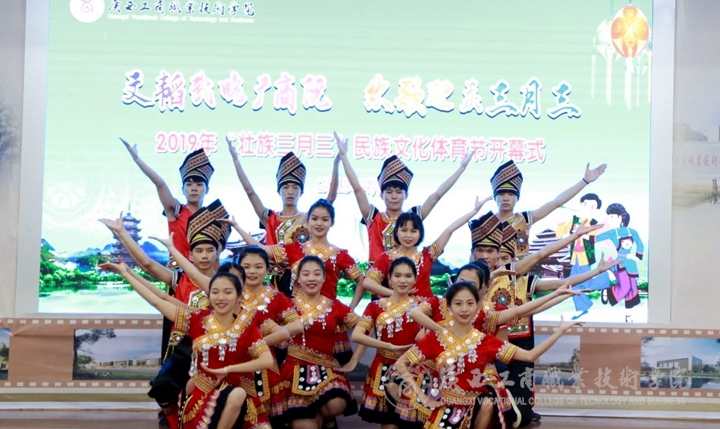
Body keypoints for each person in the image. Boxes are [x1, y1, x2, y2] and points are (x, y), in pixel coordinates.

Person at [100, 200, 229, 428]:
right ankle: (171, 419)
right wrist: (121, 233)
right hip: (184, 346)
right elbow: (147, 264)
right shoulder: (180, 279)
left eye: (210, 250)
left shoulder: (227, 282)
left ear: (218, 251)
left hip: (218, 349)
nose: (204, 256)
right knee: (163, 386)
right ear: (190, 255)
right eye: (199, 251)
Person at [101, 262, 275, 429]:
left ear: (239, 296)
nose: (221, 297)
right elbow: (157, 301)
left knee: (238, 394)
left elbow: (266, 360)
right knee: (232, 393)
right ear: (209, 296)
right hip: (204, 397)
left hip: (241, 399)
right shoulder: (196, 321)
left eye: (228, 292)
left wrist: (227, 369)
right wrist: (125, 273)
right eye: (215, 292)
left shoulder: (247, 328)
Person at [394, 281, 582, 429]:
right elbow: (401, 364)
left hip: (476, 410)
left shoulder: (485, 341)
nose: (464, 309)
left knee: (487, 404)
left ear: (478, 308)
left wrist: (559, 332)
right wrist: (422, 396)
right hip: (444, 410)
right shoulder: (435, 339)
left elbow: (529, 356)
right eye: (458, 304)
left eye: (470, 303)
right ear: (449, 308)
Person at [222, 199, 363, 366]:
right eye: (315, 218)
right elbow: (261, 250)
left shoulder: (340, 255)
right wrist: (237, 227)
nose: (319, 223)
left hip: (326, 317)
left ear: (332, 222)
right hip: (295, 314)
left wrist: (351, 306)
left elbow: (362, 281)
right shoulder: (295, 249)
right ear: (307, 221)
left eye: (325, 219)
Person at [334, 132, 475, 264]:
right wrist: (344, 157)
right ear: (381, 195)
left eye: (398, 192)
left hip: (408, 277)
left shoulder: (413, 217)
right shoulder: (373, 217)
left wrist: (461, 168)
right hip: (377, 279)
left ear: (406, 195)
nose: (394, 196)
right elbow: (357, 189)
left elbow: (437, 195)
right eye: (389, 192)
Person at [227, 138, 340, 296]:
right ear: (279, 190)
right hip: (276, 282)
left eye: (295, 187)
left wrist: (336, 165)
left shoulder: (309, 218)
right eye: (286, 187)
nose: (290, 192)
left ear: (302, 191)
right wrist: (236, 161)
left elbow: (330, 198)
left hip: (304, 281)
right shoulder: (270, 218)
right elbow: (250, 192)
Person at [281, 256, 367, 429]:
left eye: (316, 274)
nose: (311, 278)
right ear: (298, 278)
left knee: (336, 404)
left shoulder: (335, 306)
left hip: (326, 368)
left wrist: (354, 360)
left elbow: (365, 327)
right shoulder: (285, 305)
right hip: (294, 370)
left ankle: (326, 418)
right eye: (306, 274)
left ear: (324, 277)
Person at [360, 197, 493, 302]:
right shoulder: (386, 257)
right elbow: (368, 282)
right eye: (404, 230)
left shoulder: (427, 255)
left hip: (425, 312)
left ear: (420, 234)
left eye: (413, 231)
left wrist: (474, 211)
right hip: (395, 311)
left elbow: (450, 229)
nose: (408, 235)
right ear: (396, 232)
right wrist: (394, 293)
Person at [352, 257, 425, 429]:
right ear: (389, 280)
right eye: (397, 276)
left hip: (414, 369)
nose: (402, 280)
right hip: (384, 368)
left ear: (415, 280)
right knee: (389, 425)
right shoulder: (375, 307)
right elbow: (356, 335)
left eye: (408, 276)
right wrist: (387, 346)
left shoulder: (423, 306)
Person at [121, 140, 214, 266]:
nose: (193, 188)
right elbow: (160, 184)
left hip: (204, 273)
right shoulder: (176, 211)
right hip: (178, 273)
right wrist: (137, 159)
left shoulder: (212, 219)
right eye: (189, 184)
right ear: (183, 189)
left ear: (207, 189)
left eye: (199, 184)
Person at [490, 159, 607, 258]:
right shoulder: (486, 222)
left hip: (520, 275)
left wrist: (584, 181)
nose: (506, 198)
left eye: (511, 194)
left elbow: (557, 202)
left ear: (517, 198)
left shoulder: (524, 219)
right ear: (495, 197)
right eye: (501, 194)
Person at [555, 193, 609, 315]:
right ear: (580, 205)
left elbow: (592, 237)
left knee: (585, 283)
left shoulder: (594, 223)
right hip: (575, 256)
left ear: (596, 210)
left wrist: (580, 233)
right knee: (573, 284)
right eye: (584, 204)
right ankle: (583, 308)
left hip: (585, 256)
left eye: (591, 206)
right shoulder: (573, 220)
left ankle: (604, 280)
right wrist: (562, 219)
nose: (587, 208)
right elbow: (560, 234)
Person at [595, 203, 645, 323]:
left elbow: (640, 244)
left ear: (620, 217)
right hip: (620, 263)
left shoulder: (632, 232)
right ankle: (607, 291)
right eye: (609, 217)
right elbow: (596, 238)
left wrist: (637, 256)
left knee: (632, 291)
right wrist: (581, 235)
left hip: (631, 264)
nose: (610, 220)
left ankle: (628, 317)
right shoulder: (612, 233)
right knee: (625, 287)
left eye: (612, 217)